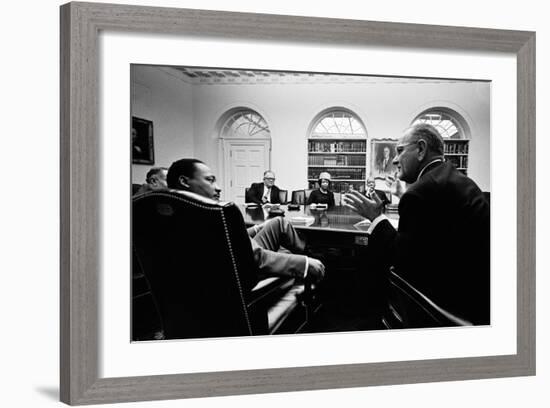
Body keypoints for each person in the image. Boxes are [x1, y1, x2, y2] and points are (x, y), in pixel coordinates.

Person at [343, 123, 490, 325]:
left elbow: (402, 260)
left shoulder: (422, 191)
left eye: (400, 151)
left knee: (371, 262)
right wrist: (402, 194)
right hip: (479, 295)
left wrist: (376, 217)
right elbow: (434, 234)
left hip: (447, 304)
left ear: (421, 149)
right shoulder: (453, 178)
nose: (395, 160)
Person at [167, 159, 325, 282]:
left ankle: (309, 250)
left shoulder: (175, 213)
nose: (218, 187)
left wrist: (258, 228)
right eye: (210, 180)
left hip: (232, 261)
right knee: (284, 229)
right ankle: (312, 254)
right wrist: (304, 263)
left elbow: (229, 239)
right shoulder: (215, 213)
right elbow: (257, 258)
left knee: (277, 222)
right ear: (184, 181)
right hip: (243, 272)